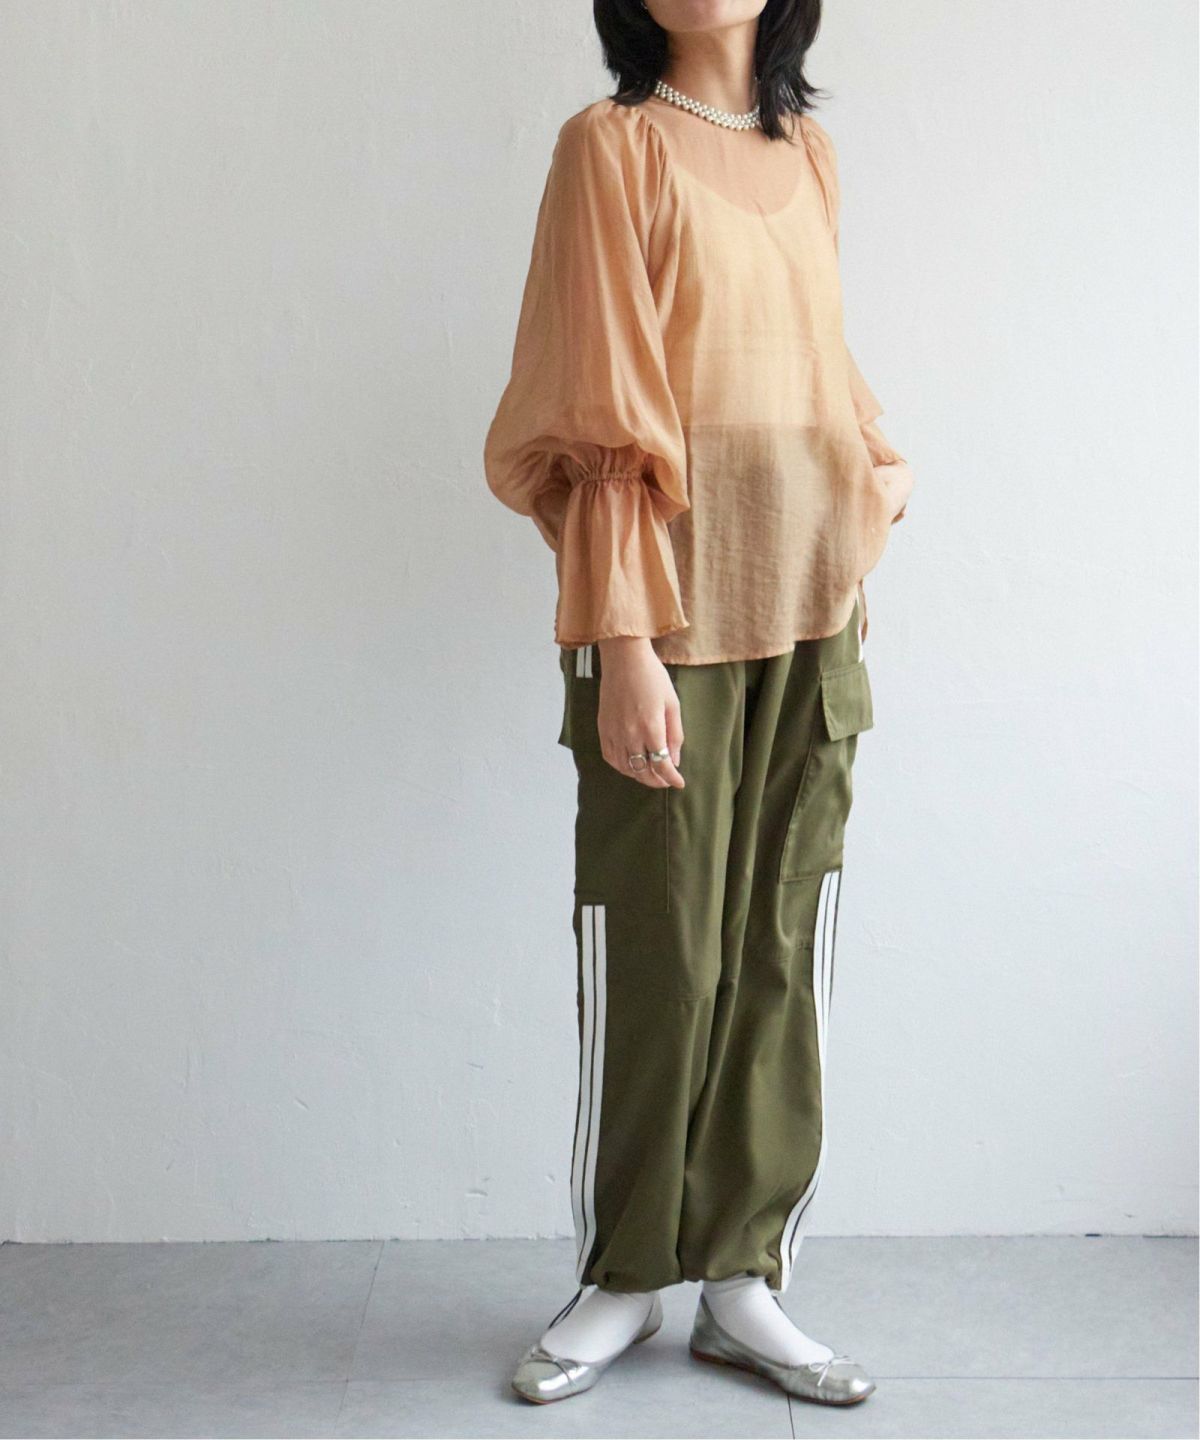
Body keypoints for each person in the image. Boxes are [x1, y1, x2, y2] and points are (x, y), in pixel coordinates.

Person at [482, 0, 913, 1409]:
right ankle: (623, 1274)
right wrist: (622, 639)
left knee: (780, 944)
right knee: (662, 946)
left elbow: (822, 371)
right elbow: (597, 394)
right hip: (668, 608)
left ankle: (743, 1277)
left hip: (816, 597)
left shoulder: (809, 156)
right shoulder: (611, 148)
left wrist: (873, 499)